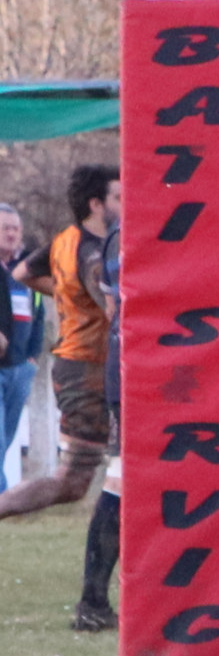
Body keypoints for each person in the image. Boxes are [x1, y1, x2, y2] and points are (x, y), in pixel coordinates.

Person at [0, 167, 118, 533]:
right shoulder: (94, 254)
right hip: (89, 367)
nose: (126, 205)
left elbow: (22, 273)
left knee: (81, 480)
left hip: (74, 362)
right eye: (119, 198)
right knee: (73, 480)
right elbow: (114, 310)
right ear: (96, 204)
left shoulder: (66, 239)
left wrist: (69, 295)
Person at [0, 204, 46, 493]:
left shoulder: (27, 268)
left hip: (21, 367)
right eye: (5, 228)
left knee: (6, 439)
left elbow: (38, 310)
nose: (12, 234)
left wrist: (32, 356)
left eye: (16, 229)